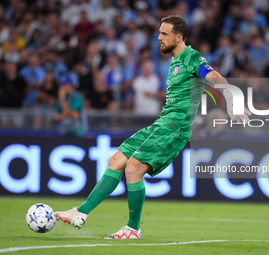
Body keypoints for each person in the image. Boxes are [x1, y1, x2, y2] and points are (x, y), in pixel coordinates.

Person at [55, 15, 250, 239]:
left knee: (134, 168)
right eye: (159, 32)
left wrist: (231, 96)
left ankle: (132, 228)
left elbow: (214, 76)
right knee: (117, 160)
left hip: (174, 128)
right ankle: (80, 213)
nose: (158, 37)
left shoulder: (191, 57)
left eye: (164, 33)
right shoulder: (175, 60)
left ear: (179, 37)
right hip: (161, 123)